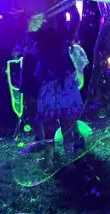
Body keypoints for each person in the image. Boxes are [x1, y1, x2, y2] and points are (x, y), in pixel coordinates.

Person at [10, 0, 78, 141]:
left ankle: (69, 141)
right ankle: (40, 140)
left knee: (62, 98)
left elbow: (74, 15)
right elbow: (16, 21)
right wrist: (19, 40)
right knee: (31, 97)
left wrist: (70, 37)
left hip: (56, 51)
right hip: (32, 51)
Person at [34, 24, 84, 159]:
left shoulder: (43, 53)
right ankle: (69, 157)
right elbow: (72, 70)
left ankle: (49, 159)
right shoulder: (61, 53)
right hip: (64, 88)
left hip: (50, 90)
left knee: (50, 126)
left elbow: (39, 74)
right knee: (66, 124)